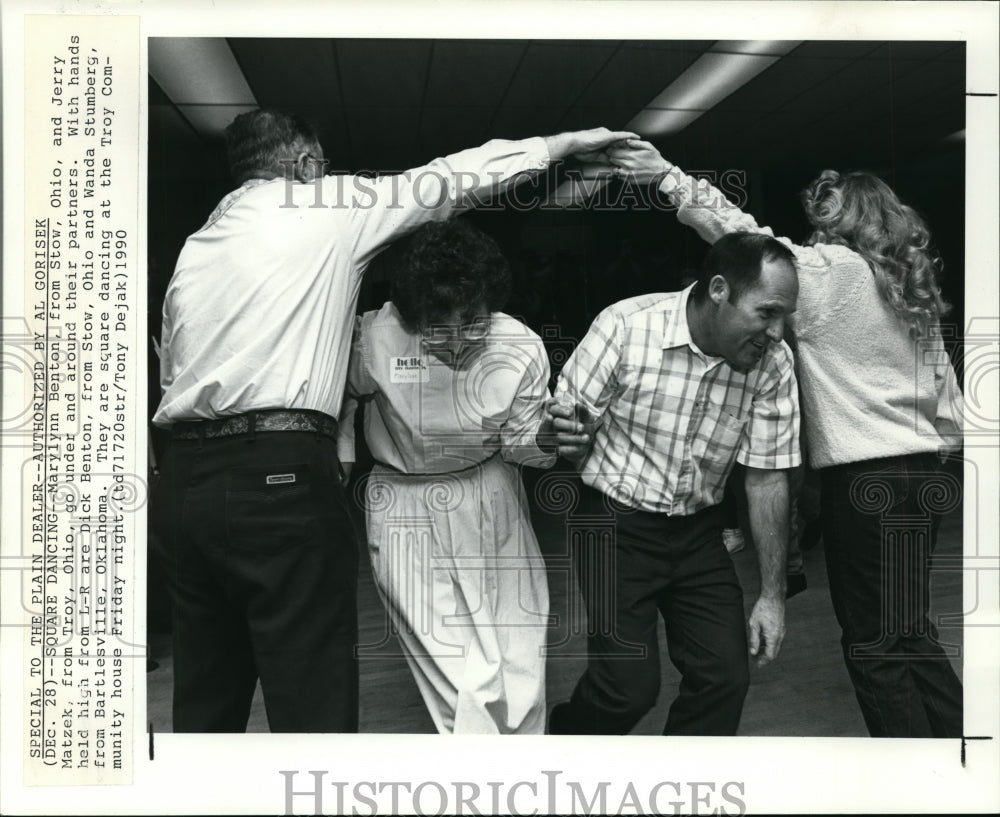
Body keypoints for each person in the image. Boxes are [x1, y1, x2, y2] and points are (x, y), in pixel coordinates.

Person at [150, 107, 634, 733]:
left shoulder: (197, 249)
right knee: (313, 697)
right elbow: (446, 180)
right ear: (305, 166)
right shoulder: (319, 213)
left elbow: (171, 372)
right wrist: (557, 144)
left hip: (185, 487)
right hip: (288, 482)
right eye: (324, 168)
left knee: (207, 698)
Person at [611, 141, 964, 738]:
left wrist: (668, 179)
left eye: (821, 223)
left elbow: (746, 240)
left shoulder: (835, 274)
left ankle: (917, 783)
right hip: (925, 475)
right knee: (910, 632)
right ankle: (969, 764)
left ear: (840, 221)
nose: (813, 236)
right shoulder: (909, 287)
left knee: (875, 646)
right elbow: (947, 397)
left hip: (867, 481)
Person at [548, 231, 801, 736]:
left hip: (698, 533)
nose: (777, 332)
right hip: (615, 525)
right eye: (767, 312)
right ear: (720, 290)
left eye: (784, 317)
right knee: (627, 688)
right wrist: (563, 434)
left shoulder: (772, 366)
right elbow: (558, 428)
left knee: (724, 678)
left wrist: (773, 594)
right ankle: (566, 744)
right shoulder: (626, 326)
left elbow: (768, 477)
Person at [339, 219, 588, 734]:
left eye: (472, 321)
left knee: (517, 650)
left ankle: (523, 775)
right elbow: (338, 399)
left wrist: (549, 437)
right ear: (411, 316)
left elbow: (522, 442)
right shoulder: (373, 338)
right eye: (438, 328)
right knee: (459, 670)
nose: (458, 341)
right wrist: (339, 453)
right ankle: (482, 780)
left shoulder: (518, 346)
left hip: (489, 489)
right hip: (402, 501)